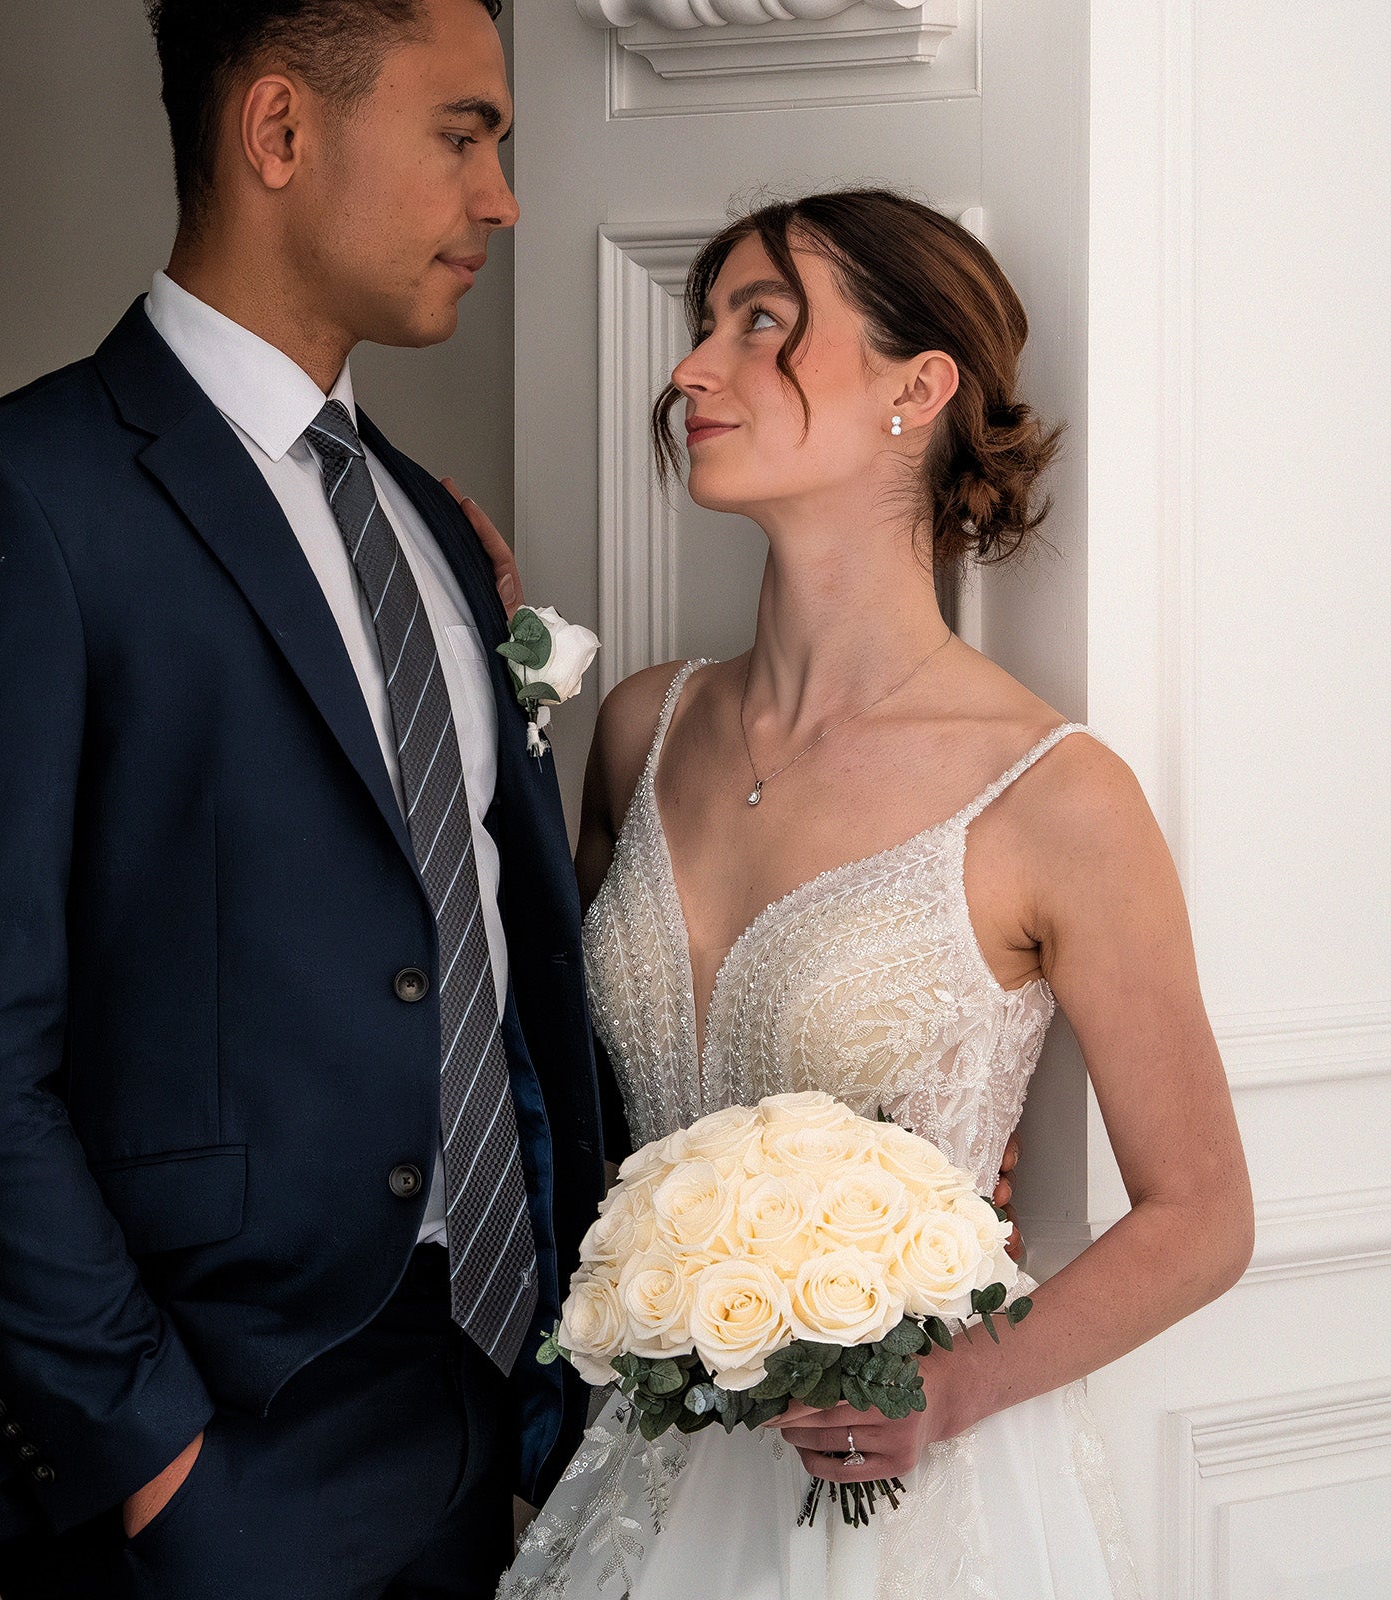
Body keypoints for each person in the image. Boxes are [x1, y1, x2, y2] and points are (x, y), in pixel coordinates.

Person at [0, 3, 607, 1596]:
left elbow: (496, 946)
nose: (502, 198)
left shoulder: (432, 528)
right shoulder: (20, 496)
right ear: (282, 133)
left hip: (479, 1394)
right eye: (462, 135)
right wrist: (149, 1454)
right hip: (218, 1444)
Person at [490, 190, 1254, 1597]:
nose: (691, 369)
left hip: (902, 1500)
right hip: (643, 1469)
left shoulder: (1053, 797)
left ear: (919, 388)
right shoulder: (642, 728)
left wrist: (949, 1390)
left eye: (761, 323)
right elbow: (553, 1091)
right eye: (704, 324)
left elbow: (1203, 1212)